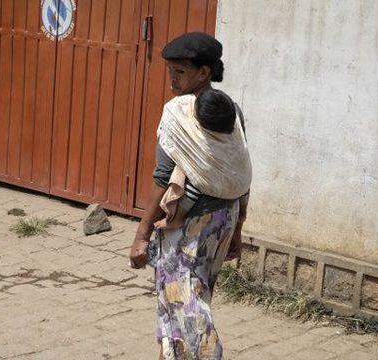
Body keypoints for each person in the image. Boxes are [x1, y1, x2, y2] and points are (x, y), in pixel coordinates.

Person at [128, 32, 252, 360]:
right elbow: (243, 174)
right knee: (181, 300)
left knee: (186, 303)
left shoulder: (180, 114)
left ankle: (210, 355)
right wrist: (237, 228)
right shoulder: (232, 111)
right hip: (223, 220)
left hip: (190, 225)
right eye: (170, 69)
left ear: (204, 72)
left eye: (180, 71)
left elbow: (161, 179)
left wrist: (141, 236)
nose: (172, 77)